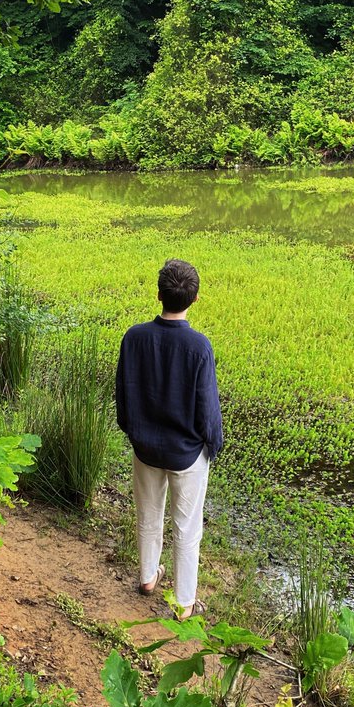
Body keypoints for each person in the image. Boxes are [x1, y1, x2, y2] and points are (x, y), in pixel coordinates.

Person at [115, 258, 223, 619]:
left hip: (145, 447)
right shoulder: (198, 346)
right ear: (195, 299)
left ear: (158, 294)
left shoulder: (134, 337)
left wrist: (134, 433)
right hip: (187, 453)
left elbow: (124, 396)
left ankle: (148, 578)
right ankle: (184, 603)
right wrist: (212, 445)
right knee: (186, 527)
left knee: (148, 514)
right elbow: (207, 408)